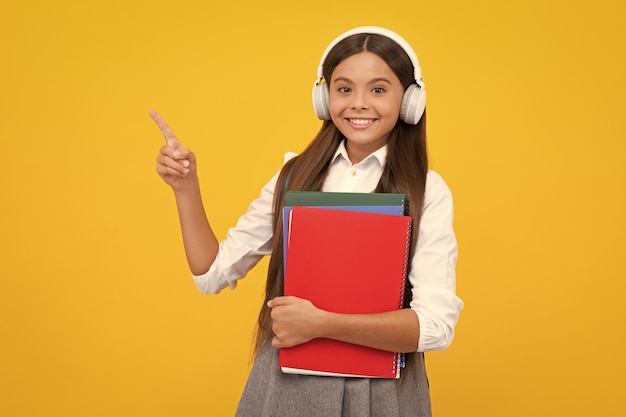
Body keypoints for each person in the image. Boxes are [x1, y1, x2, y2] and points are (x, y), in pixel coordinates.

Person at [152, 26, 463, 417]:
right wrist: (186, 188)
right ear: (324, 97)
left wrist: (322, 323)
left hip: (384, 395)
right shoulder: (292, 176)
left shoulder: (428, 190)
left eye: (379, 90)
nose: (359, 104)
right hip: (286, 390)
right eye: (344, 89)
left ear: (410, 100)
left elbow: (435, 327)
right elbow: (211, 272)